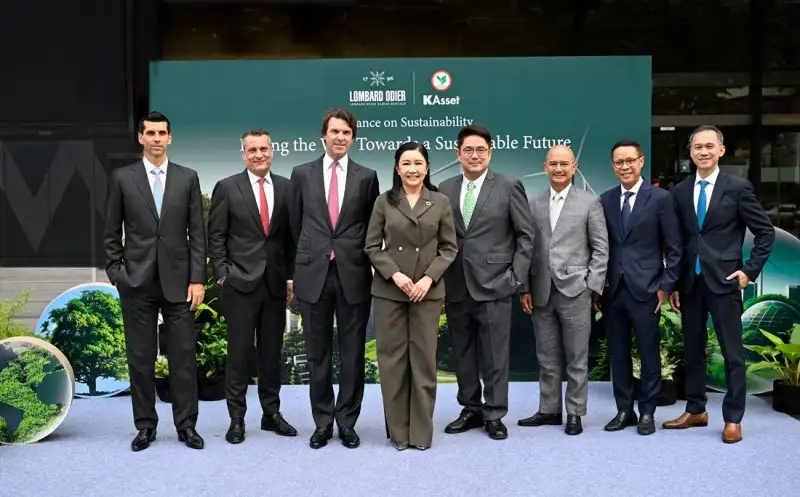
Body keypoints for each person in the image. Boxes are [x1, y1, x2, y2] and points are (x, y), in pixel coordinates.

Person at [103, 111, 206, 451]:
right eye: (151, 133)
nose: (157, 139)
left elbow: (198, 234)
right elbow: (110, 233)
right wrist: (118, 274)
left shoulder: (188, 178)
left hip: (180, 283)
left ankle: (186, 426)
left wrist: (197, 279)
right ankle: (145, 426)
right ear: (141, 137)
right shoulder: (123, 178)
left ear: (170, 137)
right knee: (141, 359)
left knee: (183, 359)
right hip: (137, 283)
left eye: (162, 133)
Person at [664, 125, 774, 444]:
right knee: (693, 351)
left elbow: (765, 232)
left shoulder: (738, 187)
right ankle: (696, 409)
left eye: (709, 146)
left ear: (721, 151)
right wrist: (674, 282)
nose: (703, 151)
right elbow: (678, 240)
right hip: (690, 283)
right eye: (698, 147)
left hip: (725, 281)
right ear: (690, 152)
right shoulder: (680, 191)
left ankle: (733, 418)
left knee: (732, 353)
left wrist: (749, 271)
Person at [288, 108, 380, 449]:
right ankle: (323, 423)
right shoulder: (301, 174)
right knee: (318, 354)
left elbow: (372, 227)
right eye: (335, 131)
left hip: (353, 274)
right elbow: (295, 225)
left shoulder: (367, 177)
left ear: (353, 138)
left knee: (353, 354)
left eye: (346, 132)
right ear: (323, 135)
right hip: (313, 274)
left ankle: (347, 422)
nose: (340, 137)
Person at [438, 124, 534, 441]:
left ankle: (494, 413)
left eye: (481, 150)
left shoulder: (509, 186)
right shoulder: (444, 188)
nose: (475, 155)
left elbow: (526, 236)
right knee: (462, 353)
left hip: (495, 284)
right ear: (458, 154)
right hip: (455, 284)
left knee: (495, 356)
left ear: (490, 153)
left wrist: (515, 277)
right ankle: (471, 408)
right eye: (468, 150)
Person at [364, 141, 458, 451]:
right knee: (392, 363)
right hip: (390, 291)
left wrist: (428, 278)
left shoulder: (440, 202)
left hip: (426, 293)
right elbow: (372, 246)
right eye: (406, 163)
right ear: (397, 168)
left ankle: (420, 434)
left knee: (424, 362)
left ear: (427, 167)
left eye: (418, 163)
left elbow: (449, 248)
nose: (412, 169)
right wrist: (397, 275)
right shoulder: (384, 202)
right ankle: (399, 433)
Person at [207, 128, 298, 445]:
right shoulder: (227, 187)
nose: (259, 154)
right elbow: (216, 236)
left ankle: (271, 413)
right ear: (243, 154)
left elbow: (290, 239)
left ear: (272, 152)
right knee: (240, 354)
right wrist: (223, 275)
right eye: (252, 150)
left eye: (264, 149)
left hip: (275, 285)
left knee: (272, 354)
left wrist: (290, 278)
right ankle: (237, 419)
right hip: (239, 284)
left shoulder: (287, 188)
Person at [518, 144, 608, 436]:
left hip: (576, 291)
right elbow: (527, 249)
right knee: (546, 356)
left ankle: (575, 413)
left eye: (564, 164)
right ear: (545, 167)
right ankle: (549, 410)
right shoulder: (533, 203)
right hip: (541, 291)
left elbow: (601, 249)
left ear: (574, 167)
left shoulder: (590, 202)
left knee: (577, 358)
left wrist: (592, 287)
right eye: (553, 164)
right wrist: (525, 287)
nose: (558, 169)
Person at [599, 140, 682, 436]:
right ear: (613, 166)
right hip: (612, 291)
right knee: (618, 353)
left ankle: (647, 411)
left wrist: (666, 286)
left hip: (648, 291)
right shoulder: (605, 200)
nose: (625, 167)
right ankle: (624, 410)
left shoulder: (660, 199)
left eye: (630, 161)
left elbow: (675, 247)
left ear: (641, 161)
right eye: (619, 162)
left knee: (648, 353)